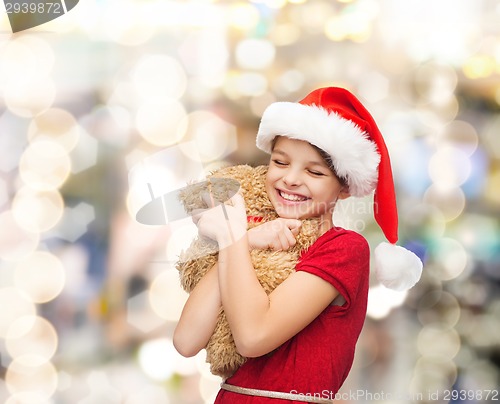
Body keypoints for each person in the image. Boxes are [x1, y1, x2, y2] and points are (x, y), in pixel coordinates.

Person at [173, 87, 422, 403]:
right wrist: (245, 240)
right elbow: (186, 340)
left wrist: (235, 235)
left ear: (344, 186)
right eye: (280, 162)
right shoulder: (253, 238)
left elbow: (253, 336)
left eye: (314, 171)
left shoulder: (344, 249)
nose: (290, 179)